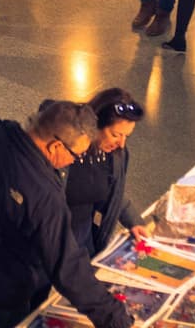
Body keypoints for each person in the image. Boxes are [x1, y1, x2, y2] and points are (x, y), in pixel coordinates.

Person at [0, 101, 131, 328]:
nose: (74, 161)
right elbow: (67, 267)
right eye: (76, 155)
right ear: (55, 147)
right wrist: (115, 318)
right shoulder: (44, 194)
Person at [64, 89, 149, 256]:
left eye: (126, 136)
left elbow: (112, 191)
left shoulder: (114, 155)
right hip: (50, 242)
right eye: (115, 135)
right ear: (94, 125)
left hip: (83, 240)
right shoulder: (64, 153)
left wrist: (134, 222)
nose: (121, 144)